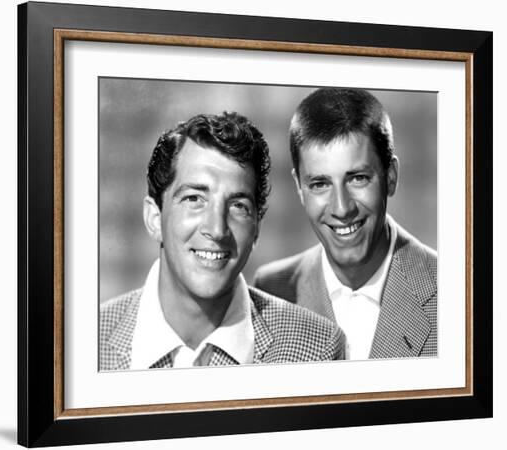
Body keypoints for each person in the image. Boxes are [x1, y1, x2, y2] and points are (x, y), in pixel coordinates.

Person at [100, 111, 344, 370]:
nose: (217, 229)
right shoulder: (81, 342)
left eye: (238, 206)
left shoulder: (318, 350)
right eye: (194, 199)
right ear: (154, 218)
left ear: (256, 229)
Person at [254, 88, 437, 360]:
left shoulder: (458, 294)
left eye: (358, 178)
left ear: (391, 177)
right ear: (299, 188)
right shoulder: (270, 289)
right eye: (319, 184)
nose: (342, 208)